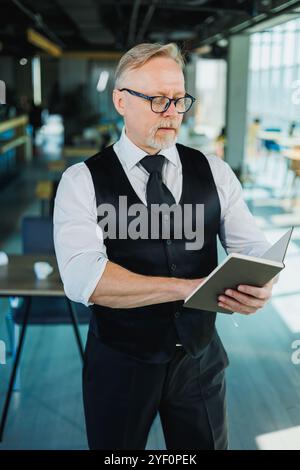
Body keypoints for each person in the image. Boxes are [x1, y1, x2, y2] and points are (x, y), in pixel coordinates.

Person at [53, 43, 274, 450]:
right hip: (121, 361)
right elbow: (86, 280)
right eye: (157, 99)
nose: (172, 110)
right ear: (121, 100)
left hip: (199, 359)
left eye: (179, 98)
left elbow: (254, 248)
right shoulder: (81, 181)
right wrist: (186, 288)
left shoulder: (215, 172)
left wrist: (261, 280)